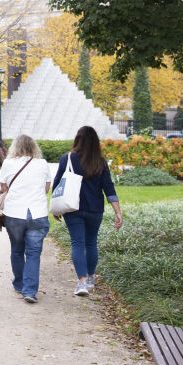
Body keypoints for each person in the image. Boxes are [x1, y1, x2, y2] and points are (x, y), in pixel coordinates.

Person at [52, 125, 123, 297]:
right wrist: (118, 212)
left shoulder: (67, 158)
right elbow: (109, 188)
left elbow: (57, 183)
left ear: (78, 139)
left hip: (72, 208)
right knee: (91, 243)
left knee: (77, 243)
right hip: (95, 210)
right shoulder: (100, 162)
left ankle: (81, 282)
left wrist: (55, 207)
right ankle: (91, 278)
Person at [0, 134, 51, 304]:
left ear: (15, 147)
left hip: (15, 213)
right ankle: (30, 291)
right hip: (37, 212)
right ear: (34, 148)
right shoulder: (42, 164)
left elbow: (4, 187)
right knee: (34, 253)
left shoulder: (8, 163)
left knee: (17, 250)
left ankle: (20, 284)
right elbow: (46, 188)